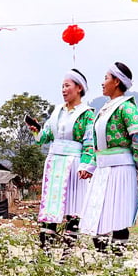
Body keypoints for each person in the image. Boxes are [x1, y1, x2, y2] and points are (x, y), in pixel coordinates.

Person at [79, 62, 138, 253]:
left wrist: (137, 161)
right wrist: (89, 166)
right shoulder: (104, 109)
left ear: (116, 81)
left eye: (106, 78)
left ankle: (117, 258)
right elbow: (97, 144)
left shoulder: (126, 107)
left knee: (118, 215)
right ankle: (103, 255)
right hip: (102, 169)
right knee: (97, 214)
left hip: (120, 168)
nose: (102, 83)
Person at [32, 69, 95, 249]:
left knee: (73, 208)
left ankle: (66, 254)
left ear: (79, 88)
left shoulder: (87, 113)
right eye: (62, 86)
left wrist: (86, 165)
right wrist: (36, 129)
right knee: (50, 206)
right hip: (54, 162)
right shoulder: (57, 111)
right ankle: (45, 252)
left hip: (74, 164)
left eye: (67, 86)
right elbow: (45, 137)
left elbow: (89, 142)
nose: (63, 90)